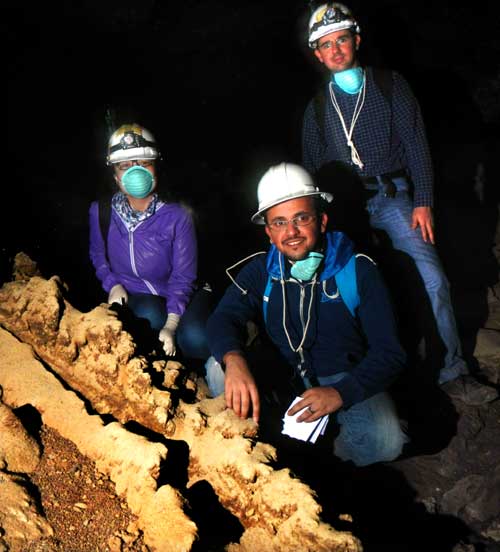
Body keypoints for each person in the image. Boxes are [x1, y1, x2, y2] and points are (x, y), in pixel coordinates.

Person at [301, 3, 498, 405]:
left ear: (356, 40)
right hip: (344, 207)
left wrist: (423, 201)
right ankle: (375, 380)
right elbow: (311, 170)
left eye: (341, 39)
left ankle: (453, 370)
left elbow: (416, 145)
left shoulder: (391, 86)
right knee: (352, 289)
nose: (335, 49)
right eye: (326, 44)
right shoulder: (317, 108)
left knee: (432, 278)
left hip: (393, 196)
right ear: (317, 54)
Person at [205, 162, 408, 467]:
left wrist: (341, 393)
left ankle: (323, 460)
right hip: (283, 376)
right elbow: (222, 319)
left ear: (322, 221)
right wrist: (235, 360)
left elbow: (390, 352)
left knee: (387, 441)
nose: (292, 232)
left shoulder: (358, 269)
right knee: (219, 367)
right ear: (269, 233)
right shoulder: (262, 269)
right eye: (279, 223)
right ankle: (268, 449)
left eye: (302, 218)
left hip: (341, 376)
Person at [89, 123, 211, 362]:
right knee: (148, 319)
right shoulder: (101, 211)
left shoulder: (178, 215)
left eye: (144, 163)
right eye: (124, 166)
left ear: (157, 168)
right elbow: (98, 255)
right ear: (114, 174)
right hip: (142, 294)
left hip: (186, 292)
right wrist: (112, 284)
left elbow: (184, 277)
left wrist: (172, 325)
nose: (135, 173)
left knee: (196, 339)